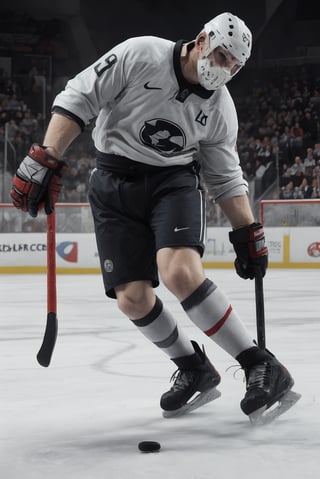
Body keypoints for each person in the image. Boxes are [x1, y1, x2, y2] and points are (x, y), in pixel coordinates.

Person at [10, 12, 296, 420]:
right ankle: (194, 368)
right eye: (221, 56)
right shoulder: (141, 53)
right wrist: (47, 157)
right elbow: (81, 95)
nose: (224, 70)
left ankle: (260, 363)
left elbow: (224, 176)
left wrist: (247, 230)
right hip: (111, 180)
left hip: (173, 182)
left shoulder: (220, 110)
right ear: (201, 40)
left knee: (179, 272)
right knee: (132, 298)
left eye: (234, 66)